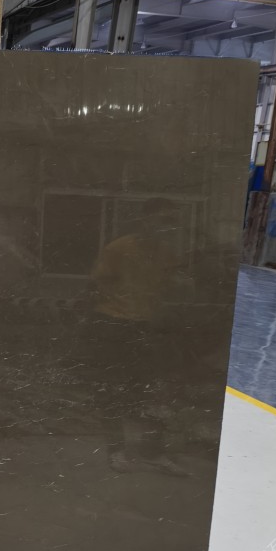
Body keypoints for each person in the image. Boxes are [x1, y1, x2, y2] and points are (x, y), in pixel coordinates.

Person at [90, 198, 190, 476]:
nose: (168, 227)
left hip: (148, 327)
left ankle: (153, 453)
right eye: (163, 220)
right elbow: (97, 284)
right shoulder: (119, 249)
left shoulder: (167, 255)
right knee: (113, 390)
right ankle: (116, 451)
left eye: (173, 222)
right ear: (146, 220)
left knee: (153, 390)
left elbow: (171, 289)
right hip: (115, 324)